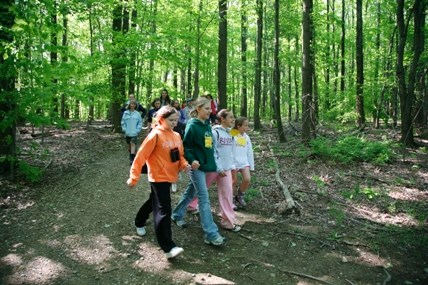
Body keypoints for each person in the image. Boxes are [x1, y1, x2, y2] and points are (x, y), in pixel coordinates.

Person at [126, 105, 190, 259]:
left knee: (154, 201)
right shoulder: (155, 134)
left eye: (176, 120)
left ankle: (139, 220)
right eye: (171, 120)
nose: (175, 123)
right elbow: (140, 156)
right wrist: (134, 177)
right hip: (157, 176)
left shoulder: (176, 136)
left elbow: (179, 155)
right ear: (161, 119)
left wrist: (184, 164)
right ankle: (168, 247)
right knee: (164, 209)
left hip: (170, 176)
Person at [171, 96, 226, 246]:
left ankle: (176, 214)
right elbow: (186, 146)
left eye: (210, 108)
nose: (210, 111)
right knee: (203, 197)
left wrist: (215, 166)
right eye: (207, 109)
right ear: (198, 109)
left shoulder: (207, 125)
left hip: (207, 166)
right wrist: (192, 159)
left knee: (191, 192)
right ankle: (211, 233)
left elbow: (210, 148)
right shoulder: (192, 125)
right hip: (196, 167)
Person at [207, 109, 241, 231]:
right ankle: (190, 206)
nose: (233, 119)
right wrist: (218, 167)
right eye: (230, 117)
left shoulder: (231, 133)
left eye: (233, 117)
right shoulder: (214, 132)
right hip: (214, 168)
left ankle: (227, 222)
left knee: (227, 194)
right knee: (200, 189)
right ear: (222, 119)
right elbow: (212, 150)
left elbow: (232, 151)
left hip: (226, 169)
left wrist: (232, 166)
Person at [231, 117, 254, 208]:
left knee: (247, 179)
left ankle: (239, 195)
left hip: (244, 162)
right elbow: (228, 148)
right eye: (245, 125)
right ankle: (231, 199)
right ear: (238, 126)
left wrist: (251, 167)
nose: (247, 127)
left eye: (247, 125)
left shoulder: (246, 137)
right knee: (234, 182)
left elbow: (249, 151)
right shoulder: (232, 134)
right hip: (234, 163)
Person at [121, 100, 143, 164]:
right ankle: (132, 153)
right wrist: (124, 129)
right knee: (129, 145)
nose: (132, 105)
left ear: (135, 106)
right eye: (131, 104)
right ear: (129, 105)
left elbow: (140, 122)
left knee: (133, 144)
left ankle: (132, 159)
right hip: (127, 132)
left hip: (134, 133)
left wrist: (137, 130)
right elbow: (123, 122)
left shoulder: (137, 114)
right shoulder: (125, 113)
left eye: (134, 104)